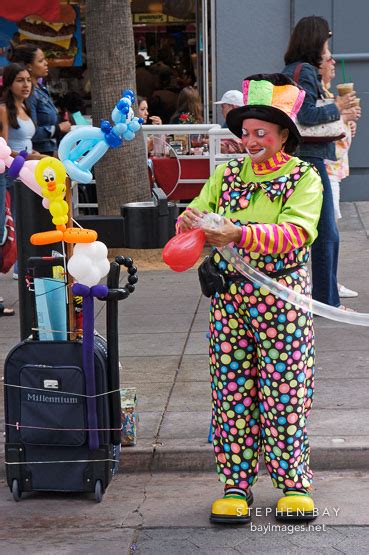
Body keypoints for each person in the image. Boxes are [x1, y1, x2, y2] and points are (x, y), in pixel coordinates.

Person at [177, 73, 323, 523]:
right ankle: (236, 485)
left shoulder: (303, 177)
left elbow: (297, 232)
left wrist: (238, 232)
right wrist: (189, 222)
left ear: (284, 136)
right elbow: (199, 215)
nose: (250, 140)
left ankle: (293, 483)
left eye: (261, 132)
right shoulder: (226, 174)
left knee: (286, 391)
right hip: (229, 302)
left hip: (282, 304)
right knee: (232, 392)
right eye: (246, 132)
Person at [282, 16, 357, 308]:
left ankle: (324, 299)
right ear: (316, 41)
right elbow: (307, 115)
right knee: (326, 234)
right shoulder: (306, 73)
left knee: (317, 233)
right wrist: (337, 107)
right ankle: (327, 302)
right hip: (309, 160)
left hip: (302, 159)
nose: (328, 49)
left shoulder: (294, 70)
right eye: (326, 41)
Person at [320, 53, 361, 298]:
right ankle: (328, 285)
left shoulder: (329, 97)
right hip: (327, 170)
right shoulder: (325, 100)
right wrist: (344, 119)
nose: (334, 63)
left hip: (333, 171)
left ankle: (330, 282)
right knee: (328, 233)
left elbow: (340, 142)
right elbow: (326, 138)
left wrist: (348, 125)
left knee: (329, 231)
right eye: (328, 58)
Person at [0, 63, 44, 284]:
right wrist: (30, 157)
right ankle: (18, 264)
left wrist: (32, 155)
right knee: (16, 219)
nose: (26, 84)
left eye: (28, 80)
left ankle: (24, 263)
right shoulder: (3, 109)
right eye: (20, 80)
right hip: (12, 171)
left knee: (27, 218)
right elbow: (4, 147)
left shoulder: (25, 107)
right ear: (9, 83)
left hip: (28, 168)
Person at [9, 44, 71, 155]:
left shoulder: (41, 89)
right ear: (29, 66)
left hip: (48, 151)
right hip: (36, 154)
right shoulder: (29, 94)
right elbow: (30, 133)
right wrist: (58, 128)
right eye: (41, 61)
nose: (46, 63)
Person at [214, 90, 246, 154]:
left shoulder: (245, 123)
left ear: (233, 107)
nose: (221, 111)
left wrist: (210, 142)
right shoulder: (230, 122)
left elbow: (232, 148)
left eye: (223, 107)